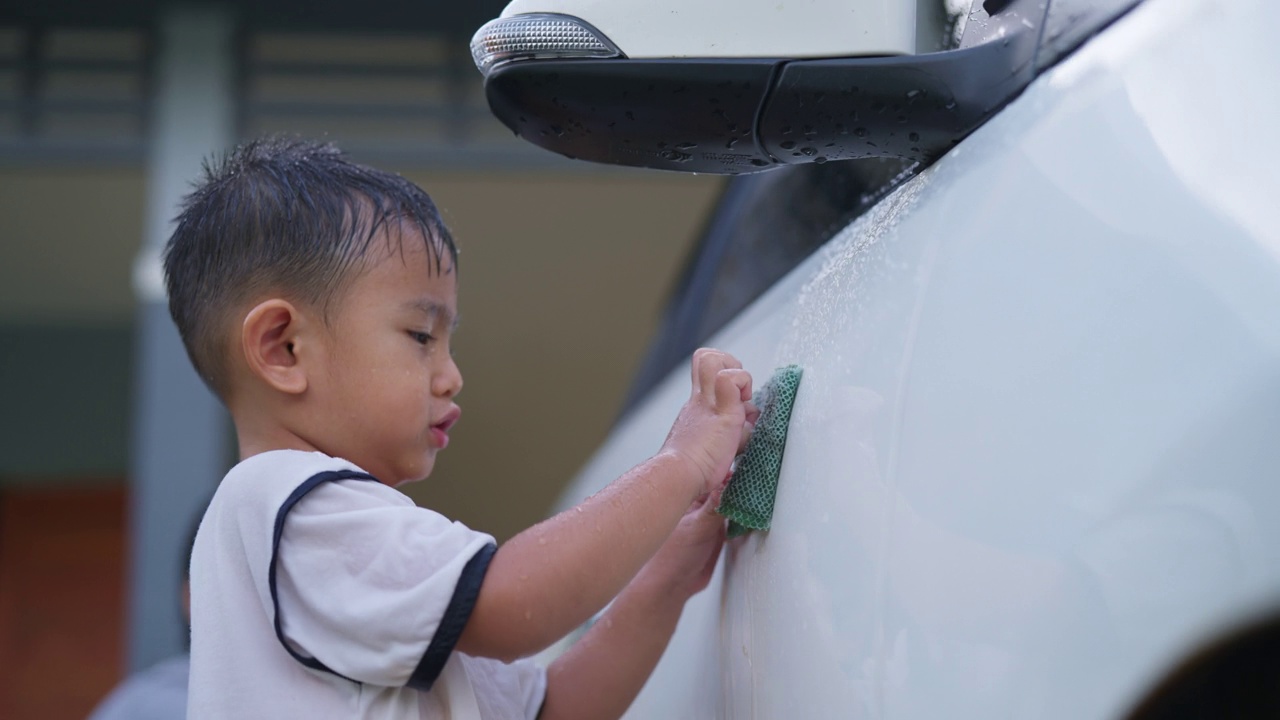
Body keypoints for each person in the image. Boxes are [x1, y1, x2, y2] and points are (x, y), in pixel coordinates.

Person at [166, 137, 757, 719]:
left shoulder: (352, 561)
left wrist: (667, 576)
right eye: (421, 336)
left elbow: (554, 709)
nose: (451, 377)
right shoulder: (280, 502)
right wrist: (680, 464)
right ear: (284, 348)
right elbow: (513, 605)